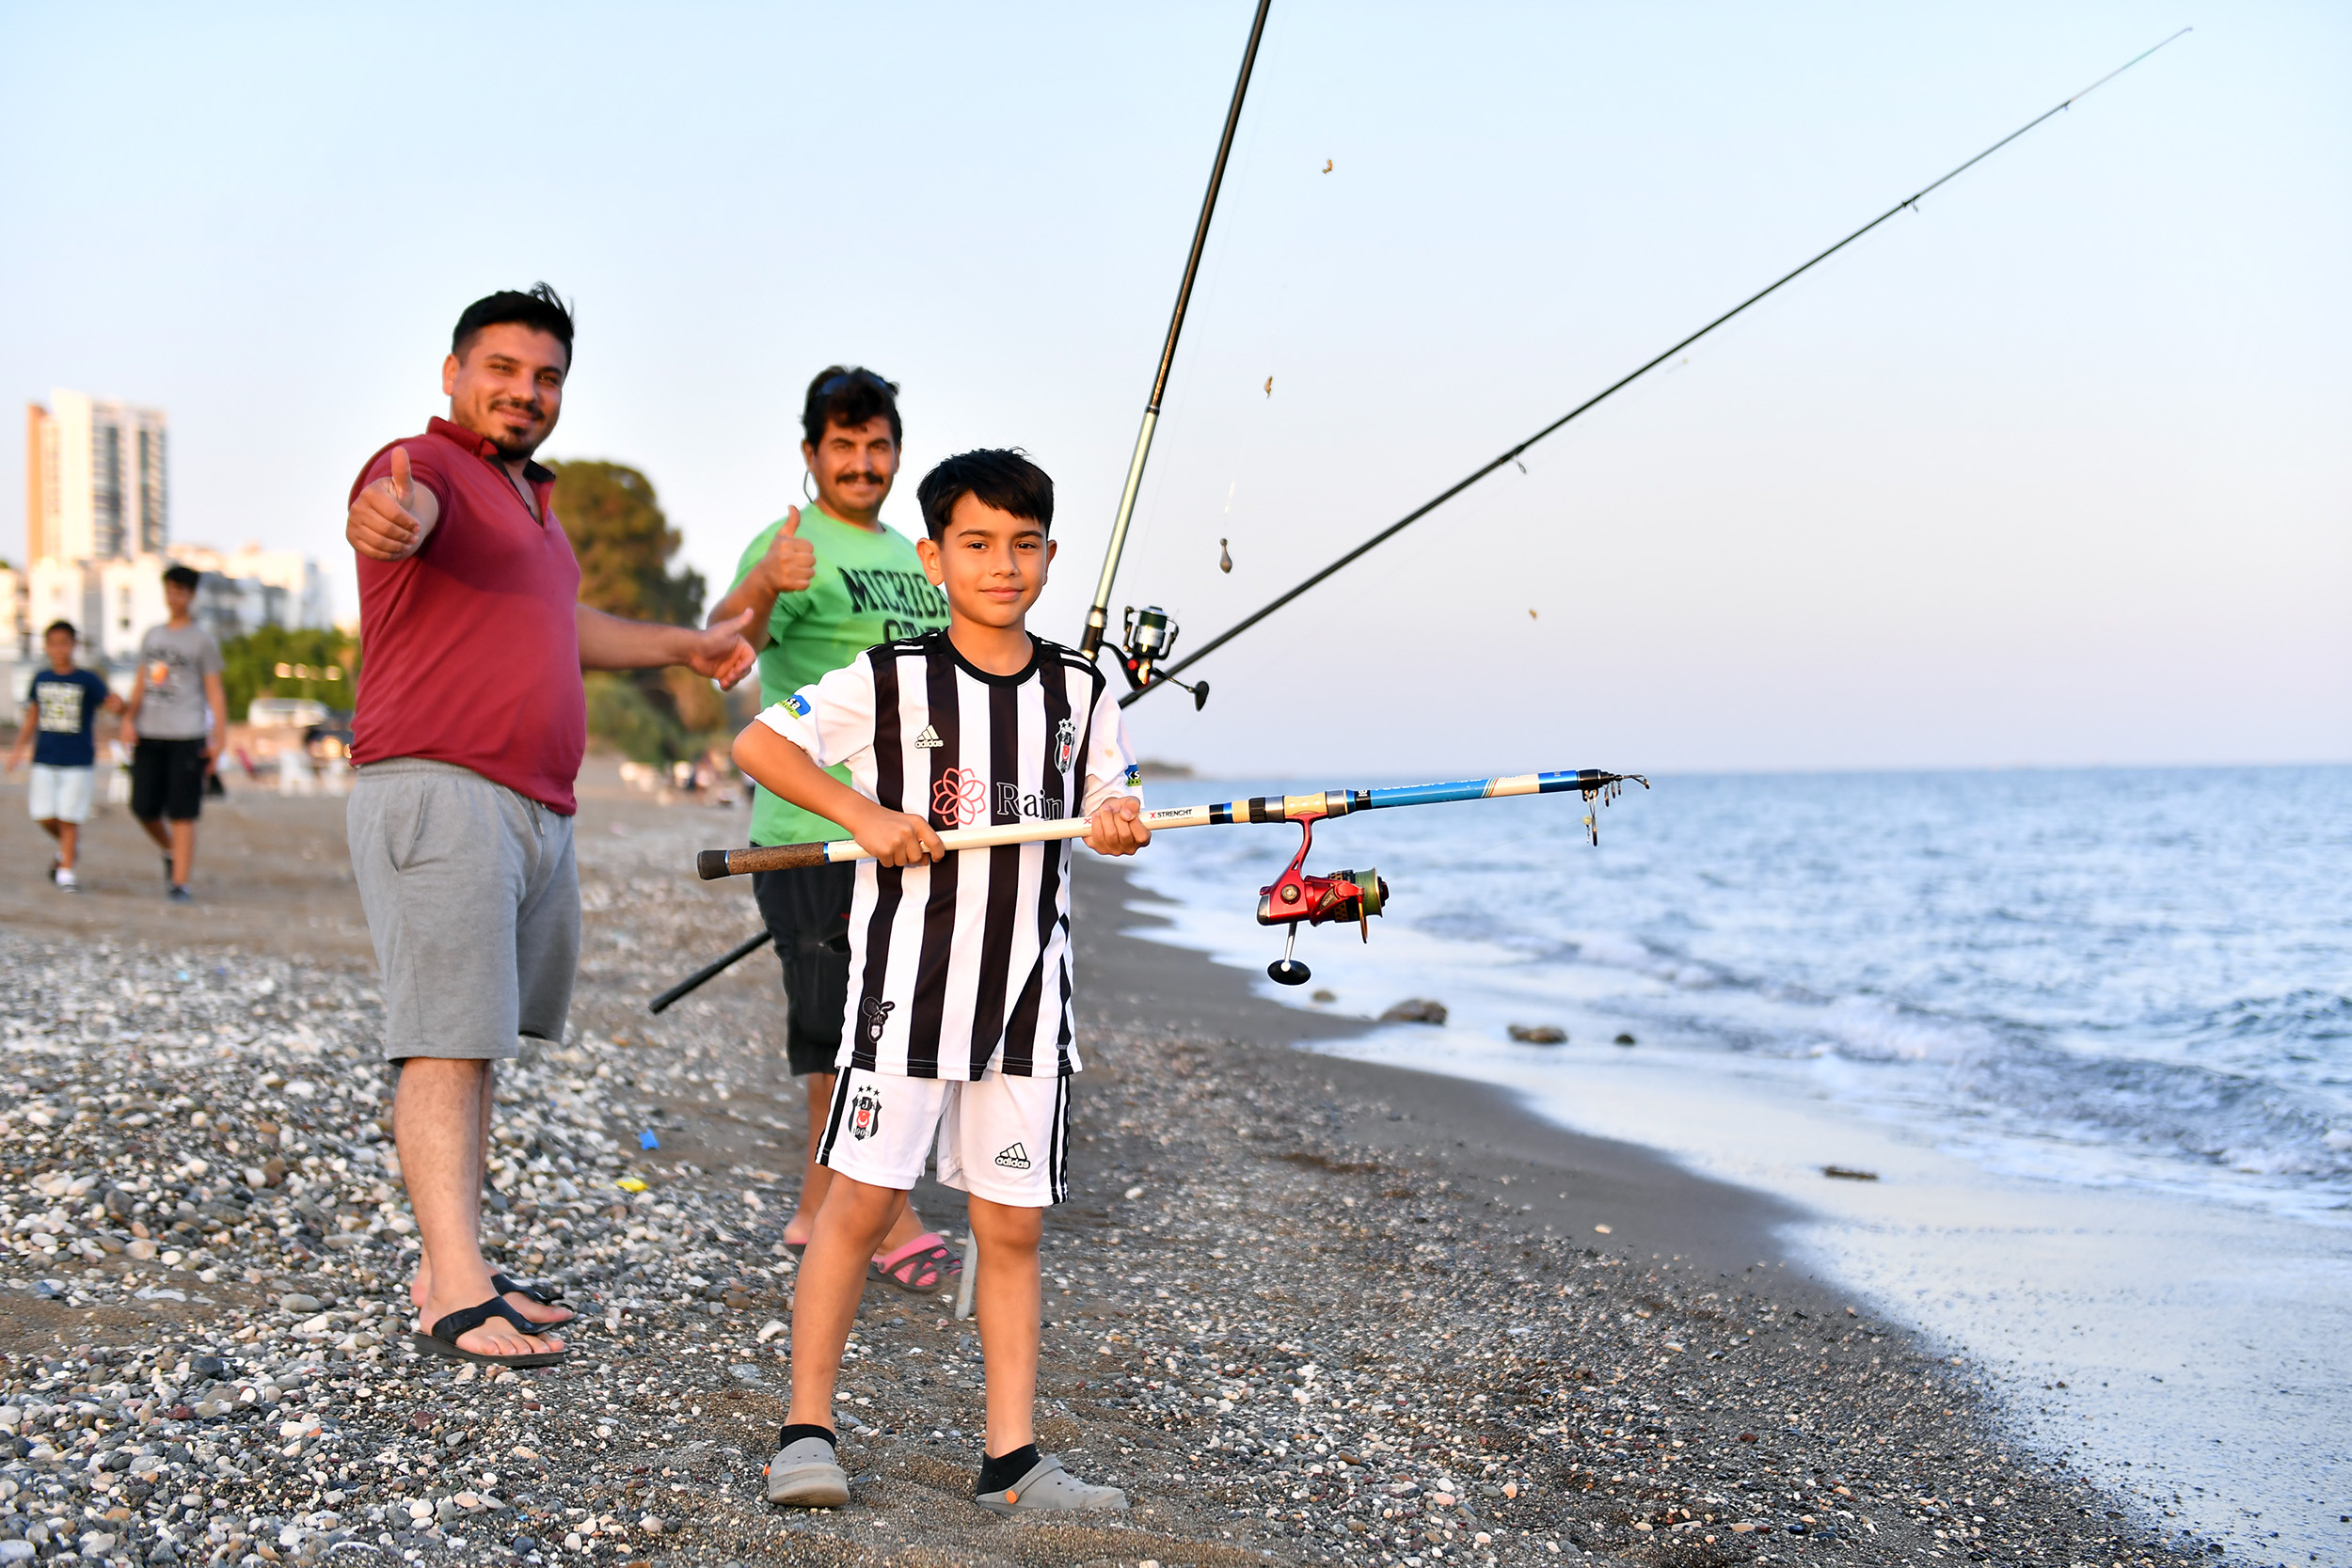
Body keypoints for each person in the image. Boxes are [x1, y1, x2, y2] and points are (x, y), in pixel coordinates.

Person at [342, 283, 756, 1367]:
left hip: (534, 804)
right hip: (440, 787)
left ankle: (454, 1261)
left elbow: (562, 624)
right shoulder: (425, 469)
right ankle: (453, 1289)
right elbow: (393, 513)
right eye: (503, 369)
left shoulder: (531, 503)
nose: (526, 391)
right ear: (453, 372)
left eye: (547, 376)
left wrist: (686, 644)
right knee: (443, 1038)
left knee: (477, 1040)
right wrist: (383, 520)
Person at [732, 448, 1150, 1514]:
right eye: (977, 543)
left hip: (1029, 1006)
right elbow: (762, 745)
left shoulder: (1081, 687)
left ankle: (1012, 1459)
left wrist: (1116, 820)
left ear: (1049, 555)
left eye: (1023, 544)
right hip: (904, 999)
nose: (1002, 564)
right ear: (934, 558)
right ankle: (804, 1432)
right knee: (860, 1206)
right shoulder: (888, 677)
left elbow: (1116, 796)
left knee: (1010, 1228)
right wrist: (863, 814)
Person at [705, 367, 961, 1293]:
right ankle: (886, 1213)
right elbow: (722, 642)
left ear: (897, 451)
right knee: (845, 1025)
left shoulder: (913, 552)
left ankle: (818, 1209)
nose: (861, 463)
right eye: (841, 446)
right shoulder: (790, 544)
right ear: (810, 454)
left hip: (910, 827)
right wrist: (765, 581)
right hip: (810, 829)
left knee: (888, 1011)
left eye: (876, 445)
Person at [120, 564, 228, 902]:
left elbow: (215, 691)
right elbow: (141, 681)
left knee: (183, 811)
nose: (174, 597)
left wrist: (219, 739)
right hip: (150, 732)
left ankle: (180, 883)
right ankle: (171, 851)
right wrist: (128, 719)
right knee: (142, 806)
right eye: (169, 589)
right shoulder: (153, 636)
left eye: (180, 590)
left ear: (191, 595)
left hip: (187, 734)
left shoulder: (202, 640)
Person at [6, 619, 123, 891]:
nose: (59, 650)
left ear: (74, 645)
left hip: (78, 760)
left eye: (64, 644)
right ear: (46, 647)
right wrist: (18, 750)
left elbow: (112, 704)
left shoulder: (88, 679)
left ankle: (66, 871)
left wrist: (120, 707)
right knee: (43, 814)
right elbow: (32, 717)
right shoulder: (41, 678)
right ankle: (69, 847)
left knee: (70, 816)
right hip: (45, 757)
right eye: (53, 644)